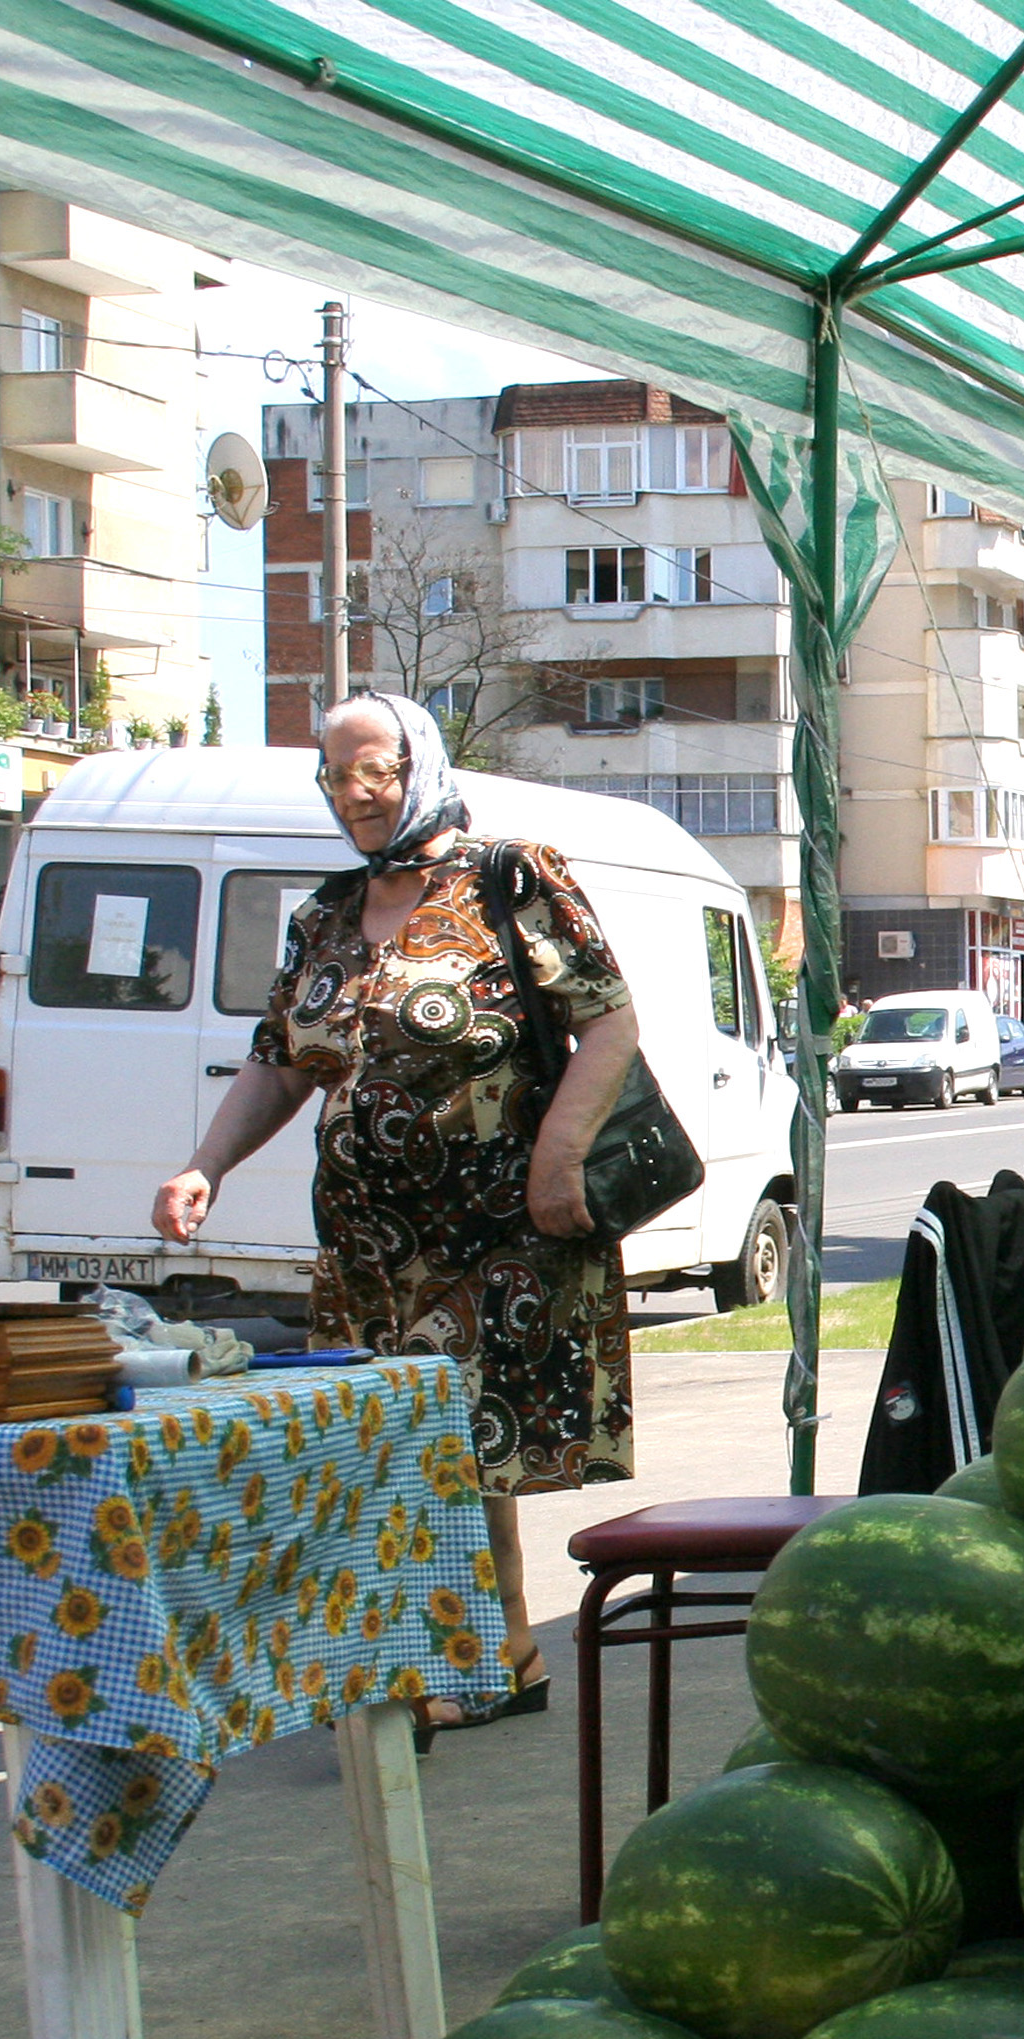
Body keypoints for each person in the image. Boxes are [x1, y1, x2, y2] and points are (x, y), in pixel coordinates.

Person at [151, 693, 644, 1731]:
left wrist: (559, 1158)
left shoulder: (512, 877)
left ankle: (440, 1668)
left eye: (373, 770)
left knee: (450, 1449)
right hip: (368, 1247)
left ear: (418, 762)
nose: (355, 794)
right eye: (336, 776)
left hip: (491, 1230)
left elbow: (608, 1021)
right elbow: (282, 1062)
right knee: (419, 1445)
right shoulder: (325, 915)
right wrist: (207, 1164)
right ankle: (503, 1649)